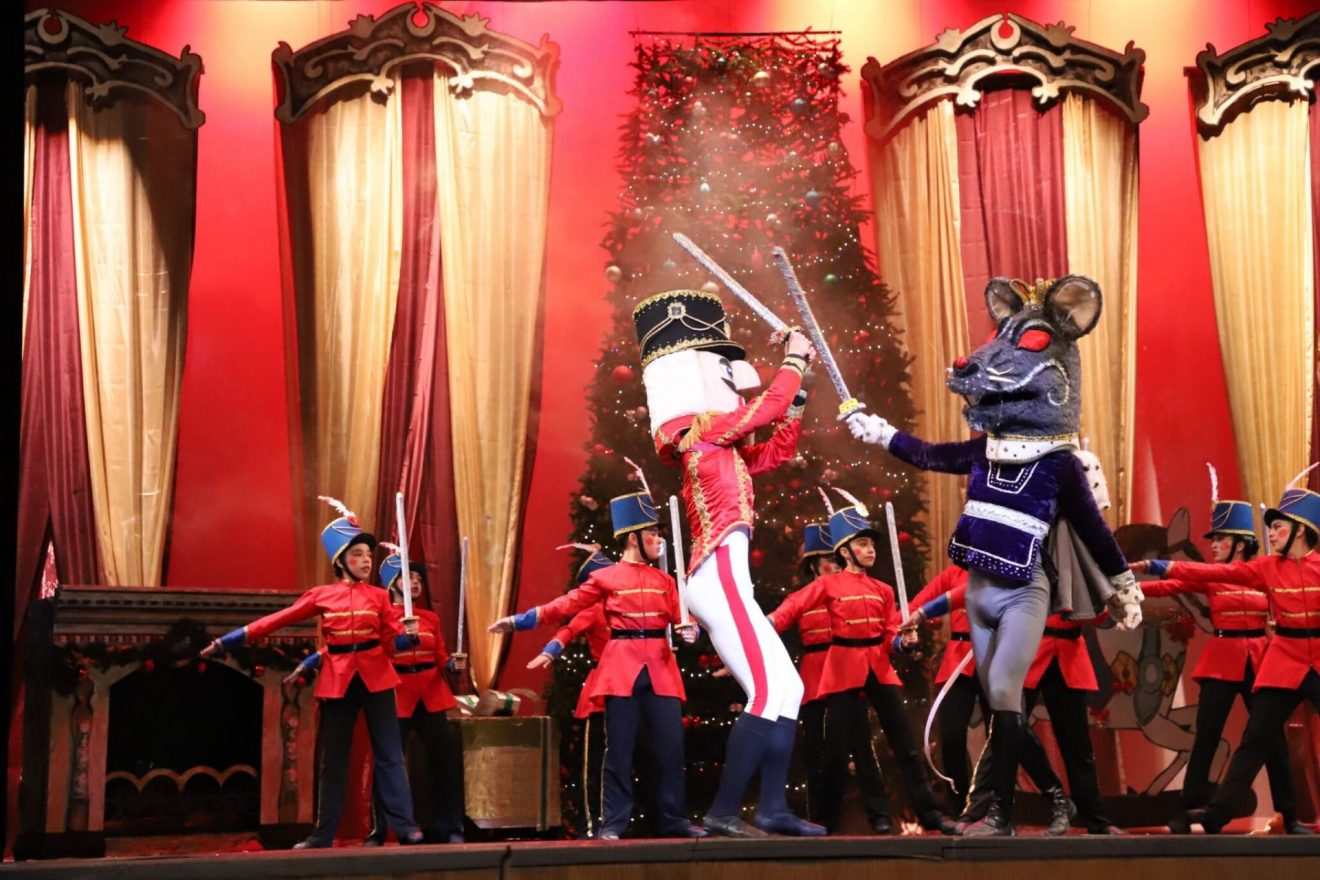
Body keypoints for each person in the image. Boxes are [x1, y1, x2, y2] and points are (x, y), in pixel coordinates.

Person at [846, 276, 1143, 836]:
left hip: (1023, 592)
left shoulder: (1060, 464)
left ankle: (1001, 815)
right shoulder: (986, 450)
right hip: (979, 594)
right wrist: (880, 433)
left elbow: (1093, 529)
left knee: (1006, 693)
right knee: (998, 702)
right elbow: (928, 455)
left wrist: (1124, 584)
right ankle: (1024, 805)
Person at [633, 289, 822, 838]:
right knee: (766, 690)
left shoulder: (723, 446)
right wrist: (793, 359)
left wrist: (798, 394)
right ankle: (722, 812)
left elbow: (776, 450)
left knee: (787, 689)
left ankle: (772, 808)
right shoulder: (703, 435)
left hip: (725, 574)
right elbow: (764, 409)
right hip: (717, 574)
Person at [202, 498, 424, 849]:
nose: (366, 560)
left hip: (378, 677)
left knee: (389, 754)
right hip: (338, 680)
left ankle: (406, 827)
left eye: (368, 555)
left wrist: (407, 638)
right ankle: (323, 834)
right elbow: (276, 620)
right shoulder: (322, 595)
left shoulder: (380, 597)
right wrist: (227, 641)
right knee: (332, 761)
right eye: (357, 555)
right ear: (340, 561)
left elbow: (391, 644)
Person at [490, 491, 705, 840]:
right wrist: (519, 621)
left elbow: (686, 619)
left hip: (661, 670)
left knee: (671, 748)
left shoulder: (665, 581)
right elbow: (566, 606)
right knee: (618, 750)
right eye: (652, 533)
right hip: (621, 672)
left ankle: (672, 819)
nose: (659, 540)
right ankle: (614, 823)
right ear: (633, 538)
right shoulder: (607, 579)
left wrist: (691, 631)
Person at [1136, 480, 1320, 835]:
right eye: (1270, 528)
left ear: (1301, 530)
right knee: (1246, 740)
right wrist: (1155, 567)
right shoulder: (1265, 567)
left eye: (1278, 527)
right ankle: (1210, 814)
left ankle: (1289, 816)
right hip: (1276, 664)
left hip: (1278, 658)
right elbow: (1206, 573)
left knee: (1272, 744)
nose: (1272, 533)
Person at [768, 501, 957, 835]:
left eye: (872, 544)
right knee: (836, 751)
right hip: (843, 667)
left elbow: (889, 636)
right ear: (844, 552)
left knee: (906, 744)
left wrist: (903, 642)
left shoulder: (883, 590)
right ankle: (825, 822)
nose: (870, 550)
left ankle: (931, 815)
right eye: (863, 544)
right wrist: (769, 622)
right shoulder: (828, 584)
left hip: (878, 667)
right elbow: (795, 604)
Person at [293, 551, 470, 845]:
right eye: (408, 578)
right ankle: (380, 829)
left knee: (444, 764)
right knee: (387, 764)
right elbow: (356, 642)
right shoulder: (381, 610)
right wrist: (314, 659)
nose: (416, 582)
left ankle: (451, 827)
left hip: (431, 695)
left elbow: (440, 657)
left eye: (419, 578)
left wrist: (453, 665)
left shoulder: (430, 618)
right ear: (392, 583)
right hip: (397, 694)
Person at [529, 547, 614, 838]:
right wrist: (550, 652)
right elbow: (567, 630)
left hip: (636, 688)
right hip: (603, 690)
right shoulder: (593, 611)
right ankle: (592, 825)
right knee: (595, 763)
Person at [785, 520, 839, 825]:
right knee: (814, 749)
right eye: (829, 559)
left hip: (843, 670)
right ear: (814, 565)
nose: (835, 565)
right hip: (812, 675)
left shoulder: (846, 591)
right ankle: (817, 815)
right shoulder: (801, 597)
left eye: (837, 558)